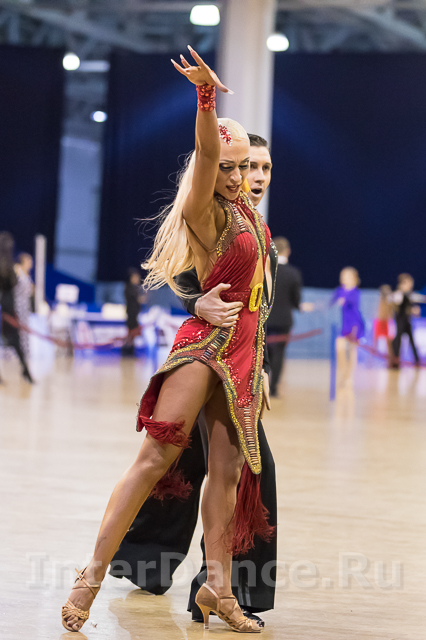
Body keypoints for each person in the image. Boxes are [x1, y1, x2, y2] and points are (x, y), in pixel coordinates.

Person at [62, 49, 273, 634]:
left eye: (246, 166)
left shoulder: (252, 215)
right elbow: (206, 152)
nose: (237, 177)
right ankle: (90, 575)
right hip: (206, 345)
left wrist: (258, 364)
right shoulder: (207, 211)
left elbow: (259, 298)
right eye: (229, 167)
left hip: (244, 354)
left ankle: (218, 589)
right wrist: (205, 99)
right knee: (155, 459)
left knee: (226, 475)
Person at [110, 134, 277, 627]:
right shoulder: (215, 212)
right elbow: (187, 276)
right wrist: (195, 302)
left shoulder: (256, 227)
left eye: (265, 168)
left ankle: (199, 580)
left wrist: (260, 366)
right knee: (174, 466)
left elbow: (257, 308)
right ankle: (157, 569)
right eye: (249, 166)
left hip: (240, 365)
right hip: (206, 357)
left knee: (214, 472)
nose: (256, 177)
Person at [266, 237, 302, 397]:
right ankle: (273, 389)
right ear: (288, 251)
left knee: (263, 353)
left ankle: (261, 387)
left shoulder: (264, 270)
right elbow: (296, 300)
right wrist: (298, 306)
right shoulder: (293, 273)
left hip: (265, 318)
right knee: (279, 354)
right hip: (283, 320)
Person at [0, 232, 34, 383]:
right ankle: (26, 371)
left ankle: (25, 370)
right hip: (9, 309)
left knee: (17, 341)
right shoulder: (11, 269)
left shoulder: (9, 268)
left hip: (10, 310)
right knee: (17, 341)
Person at [331, 267, 365, 388]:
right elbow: (330, 302)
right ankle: (343, 374)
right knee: (339, 349)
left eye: (345, 276)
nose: (342, 278)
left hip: (354, 325)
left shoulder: (355, 292)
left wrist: (343, 297)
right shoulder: (340, 291)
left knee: (352, 351)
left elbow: (350, 301)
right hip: (343, 325)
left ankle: (349, 376)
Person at [391, 273, 425, 368]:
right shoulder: (398, 294)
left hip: (407, 322)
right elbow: (395, 301)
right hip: (400, 322)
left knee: (412, 341)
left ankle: (416, 360)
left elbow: (419, 298)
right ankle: (396, 359)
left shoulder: (410, 295)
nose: (410, 286)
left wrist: (413, 310)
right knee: (398, 340)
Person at [14, 253, 34, 359]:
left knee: (25, 329)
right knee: (18, 329)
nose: (31, 264)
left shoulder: (27, 275)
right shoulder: (17, 271)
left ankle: (25, 352)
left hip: (25, 306)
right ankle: (16, 351)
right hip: (18, 304)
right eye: (29, 261)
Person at [122, 268, 145, 357]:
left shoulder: (136, 288)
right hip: (131, 314)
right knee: (131, 333)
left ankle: (130, 349)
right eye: (135, 277)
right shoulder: (129, 288)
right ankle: (127, 350)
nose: (137, 279)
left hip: (136, 314)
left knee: (132, 334)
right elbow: (139, 299)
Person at [373, 284, 393, 362]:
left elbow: (390, 313)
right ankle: (371, 360)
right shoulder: (380, 300)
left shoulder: (389, 302)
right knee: (375, 341)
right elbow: (377, 312)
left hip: (386, 322)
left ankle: (390, 360)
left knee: (388, 342)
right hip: (379, 321)